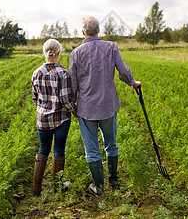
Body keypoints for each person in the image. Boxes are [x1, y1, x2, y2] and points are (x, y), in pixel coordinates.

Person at [69, 16, 141, 197]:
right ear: (98, 31)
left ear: (83, 33)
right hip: (108, 106)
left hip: (86, 108)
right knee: (111, 144)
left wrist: (72, 105)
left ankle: (99, 187)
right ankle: (114, 181)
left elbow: (73, 84)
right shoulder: (111, 47)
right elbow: (123, 71)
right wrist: (133, 83)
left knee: (92, 149)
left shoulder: (76, 53)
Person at [31, 39, 77, 196]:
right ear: (59, 53)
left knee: (43, 149)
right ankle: (57, 188)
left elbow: (35, 98)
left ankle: (36, 188)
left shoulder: (36, 73)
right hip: (61, 120)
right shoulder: (63, 73)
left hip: (42, 119)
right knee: (58, 150)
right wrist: (74, 111)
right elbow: (65, 100)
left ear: (44, 53)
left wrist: (44, 107)